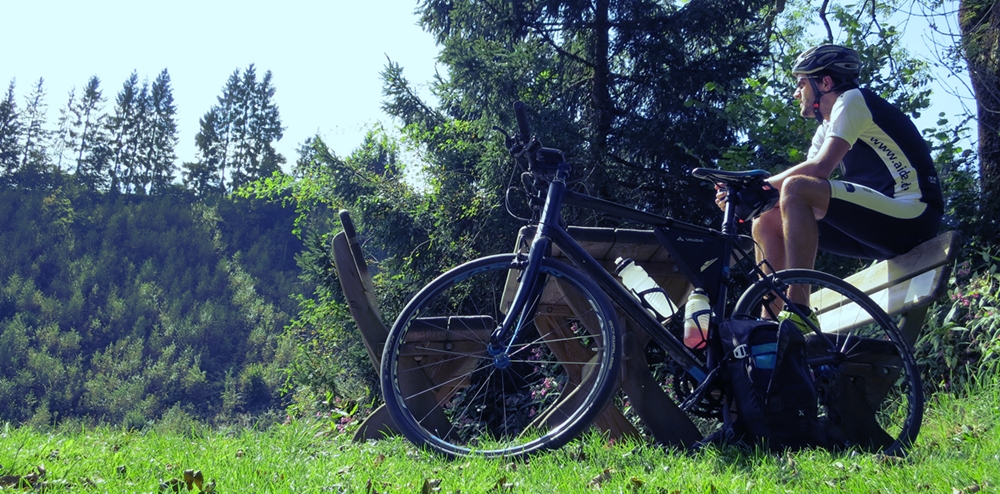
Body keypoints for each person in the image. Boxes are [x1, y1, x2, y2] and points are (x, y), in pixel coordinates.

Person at [718, 44, 944, 313]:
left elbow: (819, 169)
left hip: (913, 215)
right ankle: (769, 323)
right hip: (879, 229)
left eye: (801, 83)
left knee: (796, 188)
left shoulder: (853, 99)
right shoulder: (825, 127)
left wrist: (756, 189)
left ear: (825, 82)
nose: (796, 93)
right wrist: (747, 195)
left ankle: (798, 309)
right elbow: (796, 185)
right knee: (768, 215)